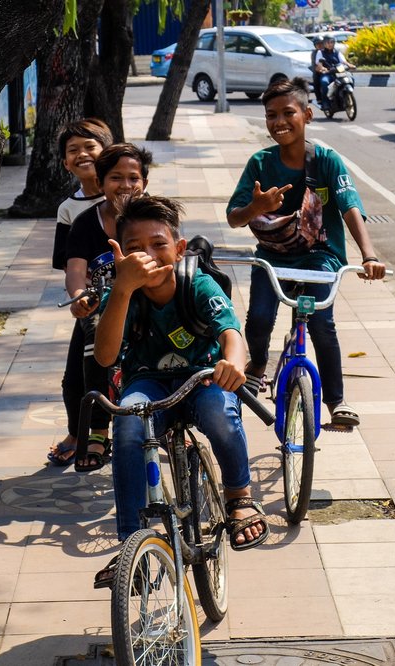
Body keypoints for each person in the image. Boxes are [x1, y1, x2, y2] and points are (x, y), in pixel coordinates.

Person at [91, 195, 268, 587]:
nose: (148, 256)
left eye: (158, 244)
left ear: (179, 249)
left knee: (220, 412)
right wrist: (121, 289)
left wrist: (233, 364)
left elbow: (231, 334)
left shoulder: (197, 283)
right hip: (147, 383)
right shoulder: (123, 292)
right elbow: (105, 357)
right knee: (128, 424)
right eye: (135, 248)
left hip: (202, 377)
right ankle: (130, 541)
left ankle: (239, 496)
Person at [226, 77, 387, 427]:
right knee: (259, 319)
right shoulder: (260, 163)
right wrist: (255, 207)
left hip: (320, 255)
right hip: (272, 256)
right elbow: (234, 217)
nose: (279, 122)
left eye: (288, 113)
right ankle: (256, 364)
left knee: (322, 326)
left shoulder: (327, 160)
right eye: (271, 115)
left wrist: (369, 255)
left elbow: (349, 206)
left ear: (308, 115)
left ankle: (336, 401)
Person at [49, 143, 152, 470]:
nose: (125, 185)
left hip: (150, 301)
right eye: (115, 178)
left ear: (144, 183)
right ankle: (97, 431)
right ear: (101, 182)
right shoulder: (83, 223)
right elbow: (75, 271)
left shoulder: (155, 217)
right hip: (102, 306)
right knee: (84, 366)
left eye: (133, 177)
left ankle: (178, 416)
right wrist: (80, 296)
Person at [47, 119, 114, 466]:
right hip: (92, 303)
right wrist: (81, 296)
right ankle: (79, 431)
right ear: (65, 162)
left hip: (133, 298)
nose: (82, 154)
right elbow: (68, 265)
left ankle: (99, 433)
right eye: (73, 150)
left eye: (90, 146)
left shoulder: (124, 193)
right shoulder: (69, 209)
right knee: (74, 379)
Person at [313, 35, 353, 109]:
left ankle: (345, 95)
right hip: (327, 73)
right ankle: (325, 102)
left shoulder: (337, 52)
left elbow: (343, 61)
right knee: (324, 82)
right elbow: (319, 64)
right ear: (324, 43)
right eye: (328, 42)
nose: (330, 44)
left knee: (350, 77)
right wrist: (323, 68)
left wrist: (350, 65)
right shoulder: (320, 52)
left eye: (332, 42)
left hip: (339, 72)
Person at [310, 35, 326, 106]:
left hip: (329, 70)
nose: (320, 45)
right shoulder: (314, 53)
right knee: (316, 80)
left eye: (321, 43)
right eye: (318, 44)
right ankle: (319, 98)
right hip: (318, 71)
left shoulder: (326, 51)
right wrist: (321, 70)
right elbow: (315, 66)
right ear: (315, 45)